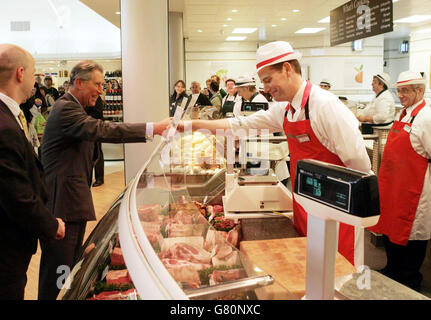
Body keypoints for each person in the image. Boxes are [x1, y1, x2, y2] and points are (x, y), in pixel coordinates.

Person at [178, 41, 371, 266]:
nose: (266, 88)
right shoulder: (285, 109)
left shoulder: (325, 106)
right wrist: (189, 125)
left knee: (339, 276)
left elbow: (360, 168)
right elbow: (241, 124)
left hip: (337, 216)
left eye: (268, 80)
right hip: (305, 206)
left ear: (288, 68)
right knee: (310, 272)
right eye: (263, 82)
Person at [38, 60, 172, 300]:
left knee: (66, 269)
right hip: (62, 206)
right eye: (98, 84)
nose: (102, 90)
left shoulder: (73, 107)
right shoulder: (66, 108)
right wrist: (154, 128)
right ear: (79, 82)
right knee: (58, 272)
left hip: (69, 202)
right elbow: (104, 130)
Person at [0, 43, 65, 300]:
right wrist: (51, 225)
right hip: (7, 246)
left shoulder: (11, 115)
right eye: (33, 72)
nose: (34, 79)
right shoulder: (4, 126)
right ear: (20, 73)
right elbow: (16, 196)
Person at [368, 71, 431, 291]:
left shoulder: (426, 118)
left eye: (405, 91)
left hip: (414, 190)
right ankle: (392, 271)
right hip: (393, 188)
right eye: (399, 91)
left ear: (419, 91)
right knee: (390, 229)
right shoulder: (403, 114)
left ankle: (410, 281)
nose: (401, 95)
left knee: (411, 236)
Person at [85, 95, 105, 187]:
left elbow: (98, 114)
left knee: (97, 154)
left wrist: (83, 116)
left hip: (95, 128)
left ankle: (99, 178)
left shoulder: (97, 98)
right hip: (86, 129)